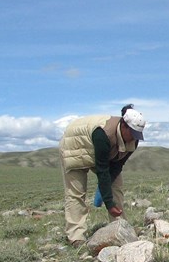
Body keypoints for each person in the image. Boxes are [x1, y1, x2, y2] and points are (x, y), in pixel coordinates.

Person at [59, 105, 146, 247]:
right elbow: (102, 170)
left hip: (98, 149)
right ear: (123, 125)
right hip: (75, 144)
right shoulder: (102, 134)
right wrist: (108, 202)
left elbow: (117, 166)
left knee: (116, 186)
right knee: (76, 193)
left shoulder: (133, 140)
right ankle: (76, 236)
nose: (133, 138)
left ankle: (120, 227)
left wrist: (108, 197)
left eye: (137, 135)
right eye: (132, 133)